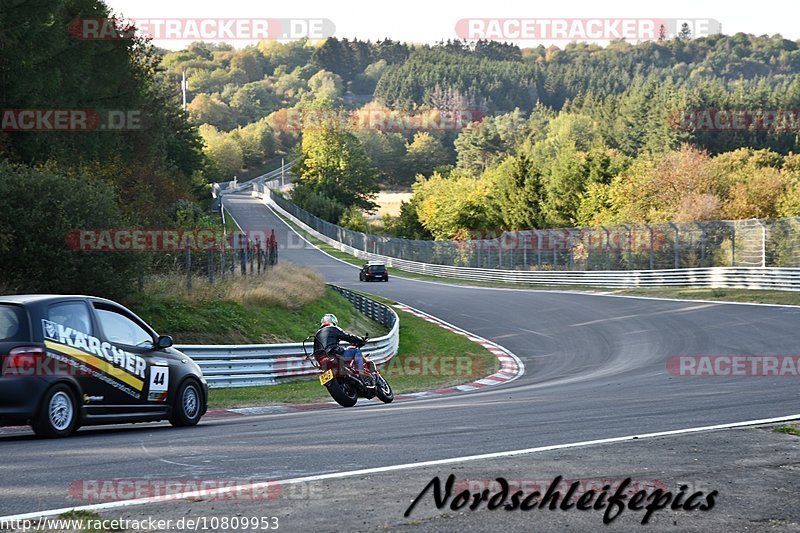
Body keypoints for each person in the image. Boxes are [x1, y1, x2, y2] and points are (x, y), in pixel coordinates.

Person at [314, 313, 372, 387]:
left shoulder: (317, 333)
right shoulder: (333, 328)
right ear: (334, 322)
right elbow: (347, 336)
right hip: (333, 354)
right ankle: (361, 372)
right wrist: (360, 340)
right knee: (356, 351)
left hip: (320, 359)